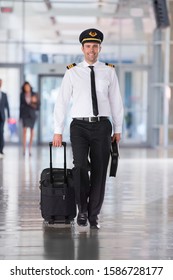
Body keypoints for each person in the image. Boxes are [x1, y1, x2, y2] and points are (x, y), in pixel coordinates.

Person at [52, 28, 124, 229]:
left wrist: (118, 128)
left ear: (100, 48)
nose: (91, 50)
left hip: (102, 126)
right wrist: (58, 129)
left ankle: (93, 215)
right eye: (88, 46)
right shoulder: (72, 71)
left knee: (100, 171)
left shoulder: (109, 71)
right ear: (82, 48)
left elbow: (116, 101)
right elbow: (62, 102)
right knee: (80, 166)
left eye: (95, 46)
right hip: (79, 126)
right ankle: (81, 210)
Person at [19, 81, 39, 156]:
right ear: (24, 88)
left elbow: (38, 106)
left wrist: (33, 102)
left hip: (32, 115)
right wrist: (20, 117)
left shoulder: (34, 94)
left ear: (30, 87)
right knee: (24, 131)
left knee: (32, 131)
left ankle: (30, 149)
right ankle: (24, 149)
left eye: (28, 86)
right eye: (25, 87)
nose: (26, 88)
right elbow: (20, 106)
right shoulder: (22, 95)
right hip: (24, 115)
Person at [0, 79, 10, 158]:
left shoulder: (4, 94)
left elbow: (7, 106)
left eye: (1, 83)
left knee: (1, 133)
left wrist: (9, 117)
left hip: (1, 117)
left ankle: (1, 150)